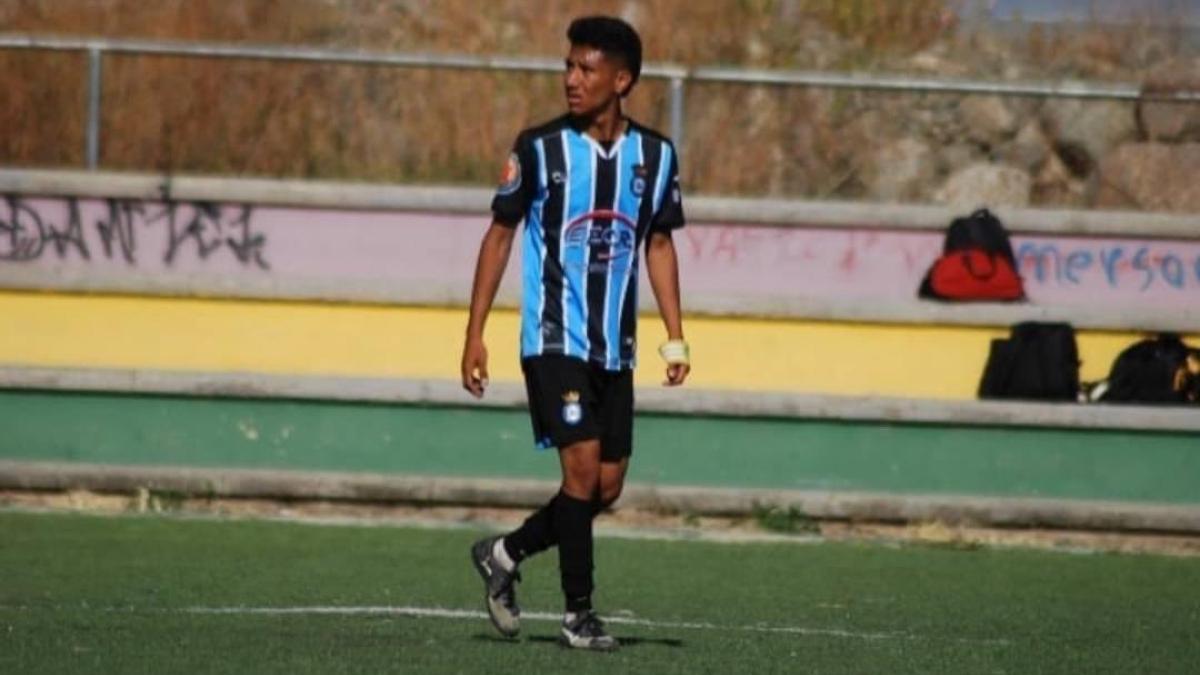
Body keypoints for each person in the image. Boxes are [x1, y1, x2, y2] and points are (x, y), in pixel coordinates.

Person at [461, 15, 690, 652]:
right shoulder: (538, 149)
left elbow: (661, 245)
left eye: (586, 69)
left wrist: (676, 336)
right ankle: (578, 615)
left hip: (615, 349)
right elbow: (499, 236)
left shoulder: (656, 155)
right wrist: (474, 333)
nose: (571, 79)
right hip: (553, 338)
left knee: (605, 487)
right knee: (583, 473)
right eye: (568, 66)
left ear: (623, 80)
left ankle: (504, 554)